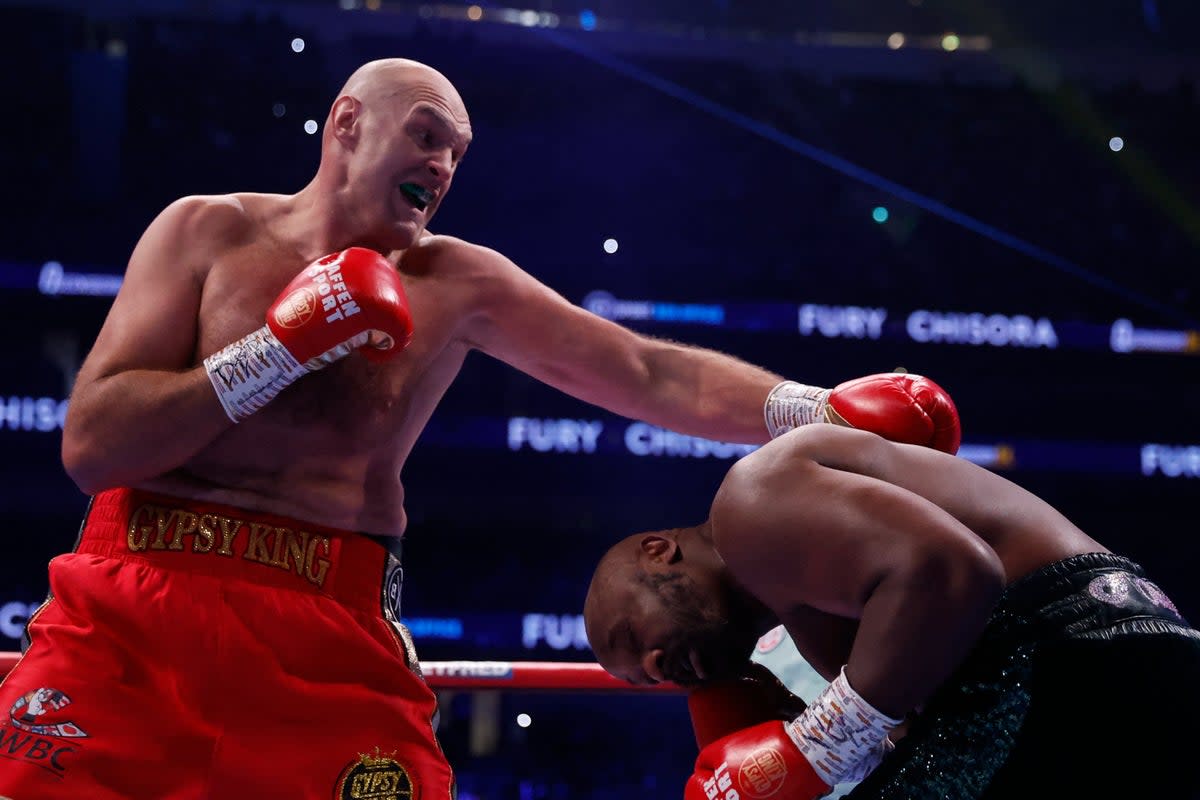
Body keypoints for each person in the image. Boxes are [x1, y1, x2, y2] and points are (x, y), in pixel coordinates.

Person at [0, 58, 962, 799]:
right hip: (138, 602)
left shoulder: (455, 281)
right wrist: (277, 350)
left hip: (325, 626)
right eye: (425, 136)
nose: (441, 165)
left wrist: (816, 408)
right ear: (345, 124)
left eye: (455, 154)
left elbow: (641, 369)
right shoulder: (203, 233)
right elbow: (94, 448)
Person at [584, 424, 1200, 800]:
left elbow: (954, 571)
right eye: (646, 677)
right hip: (1112, 657)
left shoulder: (749, 505)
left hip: (1066, 657)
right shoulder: (811, 600)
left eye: (631, 634)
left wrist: (820, 744)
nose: (657, 663)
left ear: (659, 552)